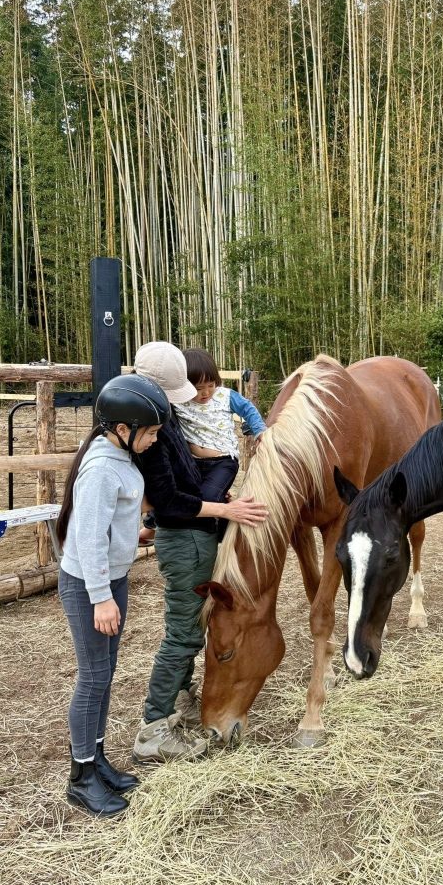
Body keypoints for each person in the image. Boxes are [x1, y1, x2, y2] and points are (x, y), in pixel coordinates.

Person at [131, 341, 268, 763]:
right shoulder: (149, 433)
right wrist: (226, 508)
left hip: (194, 532)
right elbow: (169, 500)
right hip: (185, 536)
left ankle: (184, 695)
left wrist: (223, 461)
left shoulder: (164, 422)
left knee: (195, 625)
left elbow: (186, 468)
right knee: (184, 633)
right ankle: (153, 726)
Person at [57, 374, 170, 817]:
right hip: (90, 585)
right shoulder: (103, 467)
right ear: (123, 429)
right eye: (152, 432)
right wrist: (100, 596)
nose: (155, 439)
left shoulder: (117, 456)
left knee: (104, 674)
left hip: (111, 579)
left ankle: (96, 758)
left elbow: (115, 519)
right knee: (92, 678)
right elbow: (87, 536)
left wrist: (135, 535)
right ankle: (81, 778)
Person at [138, 348, 266, 545]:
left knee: (207, 497)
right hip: (194, 462)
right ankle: (152, 525)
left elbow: (247, 409)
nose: (205, 392)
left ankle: (223, 534)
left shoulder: (225, 396)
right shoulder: (180, 400)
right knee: (176, 490)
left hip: (223, 462)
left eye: (211, 385)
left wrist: (259, 431)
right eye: (198, 388)